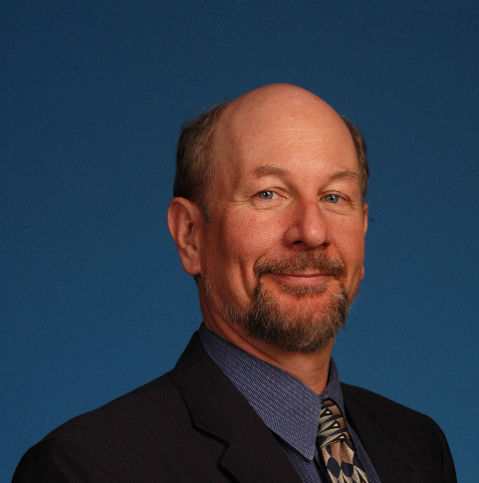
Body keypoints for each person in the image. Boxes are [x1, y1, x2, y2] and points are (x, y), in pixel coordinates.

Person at [12, 84, 456, 483]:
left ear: (363, 227)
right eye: (268, 194)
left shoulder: (420, 447)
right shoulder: (86, 468)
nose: (312, 231)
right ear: (191, 236)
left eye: (334, 197)